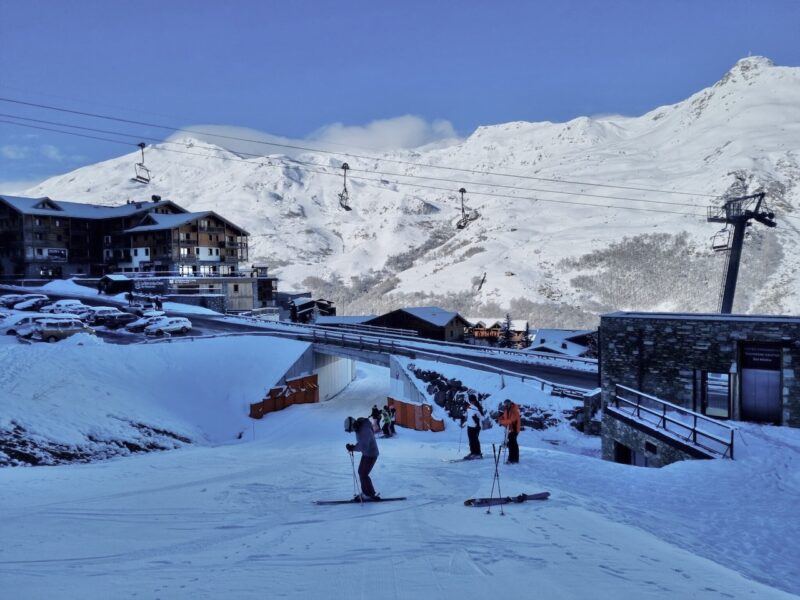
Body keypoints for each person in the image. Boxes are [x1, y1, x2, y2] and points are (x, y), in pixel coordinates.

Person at [345, 416, 380, 500]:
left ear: (353, 425)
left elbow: (364, 446)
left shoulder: (364, 430)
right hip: (367, 453)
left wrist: (353, 448)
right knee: (361, 472)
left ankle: (368, 494)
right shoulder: (360, 428)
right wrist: (353, 447)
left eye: (351, 430)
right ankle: (368, 493)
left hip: (371, 454)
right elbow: (362, 443)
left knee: (363, 474)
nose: (351, 431)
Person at [498, 399, 521, 463]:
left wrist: (501, 421)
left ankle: (513, 459)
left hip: (514, 429)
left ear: (510, 403)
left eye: (507, 404)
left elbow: (510, 421)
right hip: (509, 429)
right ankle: (512, 458)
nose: (506, 405)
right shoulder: (507, 410)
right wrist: (500, 418)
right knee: (511, 444)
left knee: (512, 444)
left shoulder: (514, 411)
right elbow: (504, 417)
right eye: (505, 404)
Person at [463, 395, 485, 459]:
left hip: (476, 426)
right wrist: (464, 416)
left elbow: (482, 417)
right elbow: (467, 414)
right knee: (471, 440)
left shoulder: (478, 407)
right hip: (470, 425)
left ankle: (478, 453)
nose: (471, 402)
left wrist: (476, 418)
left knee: (475, 440)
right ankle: (473, 452)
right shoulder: (470, 407)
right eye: (470, 401)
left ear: (475, 400)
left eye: (472, 400)